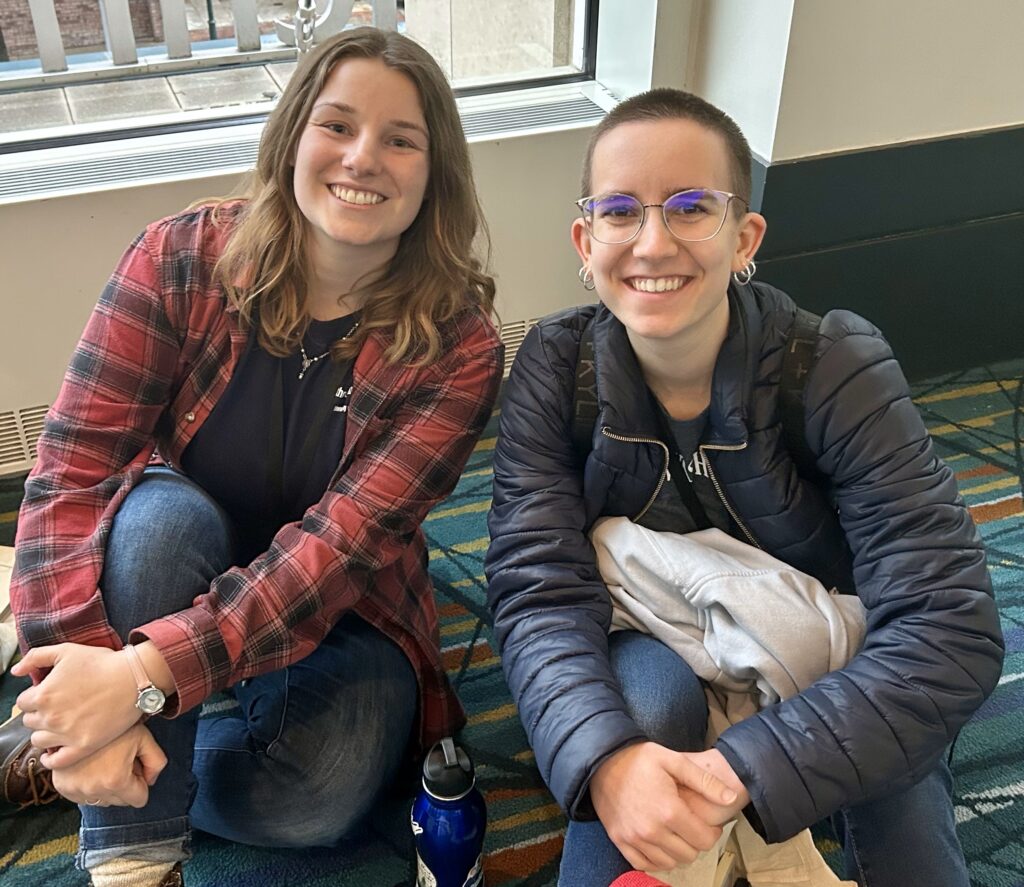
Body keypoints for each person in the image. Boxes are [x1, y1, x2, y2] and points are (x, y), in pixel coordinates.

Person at [3, 26, 502, 887]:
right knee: (157, 523)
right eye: (337, 125)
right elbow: (74, 466)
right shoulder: (178, 259)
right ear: (293, 136)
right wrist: (77, 705)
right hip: (175, 557)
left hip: (345, 605)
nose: (364, 157)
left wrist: (139, 683)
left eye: (401, 139)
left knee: (315, 795)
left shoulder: (460, 347)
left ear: (435, 175)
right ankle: (133, 857)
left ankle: (95, 741)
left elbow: (333, 553)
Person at [484, 87, 1004, 887]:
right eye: (621, 212)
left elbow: (948, 627)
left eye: (692, 206)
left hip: (825, 644)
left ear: (744, 237)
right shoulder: (554, 372)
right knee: (643, 720)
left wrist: (742, 769)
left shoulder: (834, 367)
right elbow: (536, 592)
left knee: (898, 764)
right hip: (654, 632)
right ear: (585, 243)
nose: (653, 242)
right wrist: (610, 762)